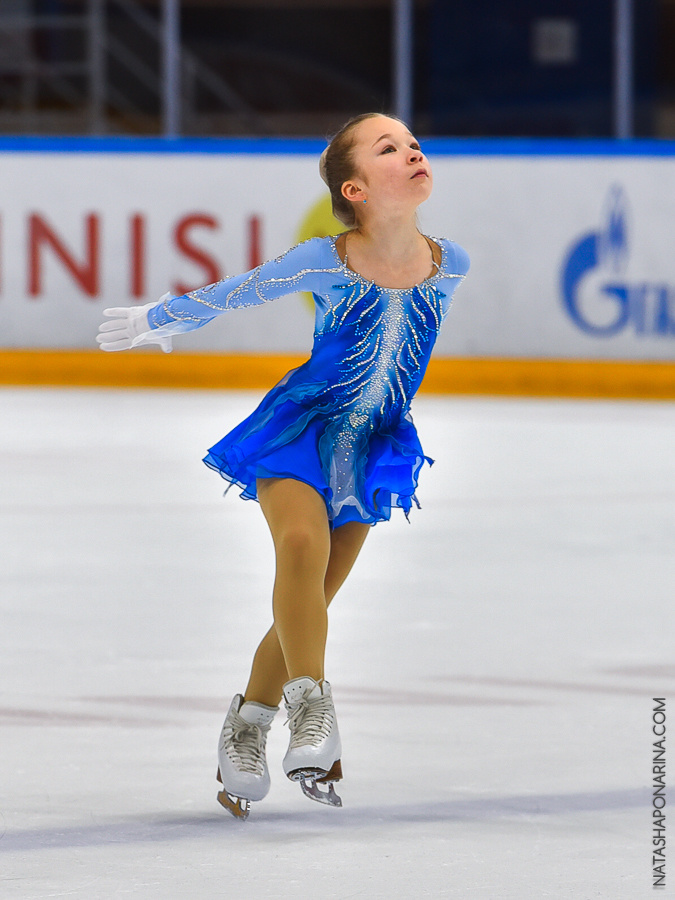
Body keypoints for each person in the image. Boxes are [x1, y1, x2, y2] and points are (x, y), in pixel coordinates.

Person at [97, 112, 470, 820]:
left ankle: (245, 724)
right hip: (301, 428)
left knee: (312, 601)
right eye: (388, 147)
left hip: (373, 445)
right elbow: (239, 289)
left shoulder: (450, 263)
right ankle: (313, 710)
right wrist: (161, 320)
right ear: (355, 188)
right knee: (299, 546)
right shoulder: (324, 258)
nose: (411, 150)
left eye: (413, 141)